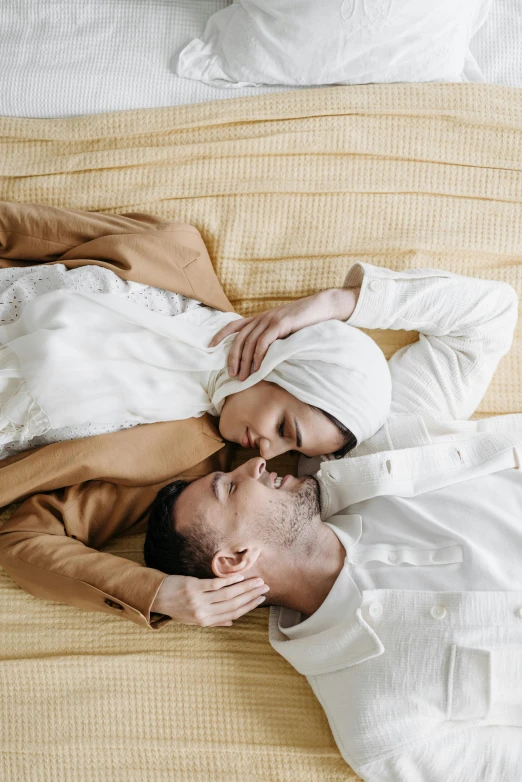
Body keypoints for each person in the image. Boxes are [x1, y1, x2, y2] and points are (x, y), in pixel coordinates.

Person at [0, 203, 518, 636]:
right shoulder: (176, 257)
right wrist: (334, 305)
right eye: (286, 428)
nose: (268, 453)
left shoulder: (197, 474)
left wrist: (159, 593)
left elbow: (27, 537)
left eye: (293, 446)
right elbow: (487, 314)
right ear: (280, 363)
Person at [142, 268, 522, 780]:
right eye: (229, 488)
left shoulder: (386, 448)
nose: (257, 464)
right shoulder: (377, 721)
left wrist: (333, 304)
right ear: (234, 560)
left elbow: (486, 314)